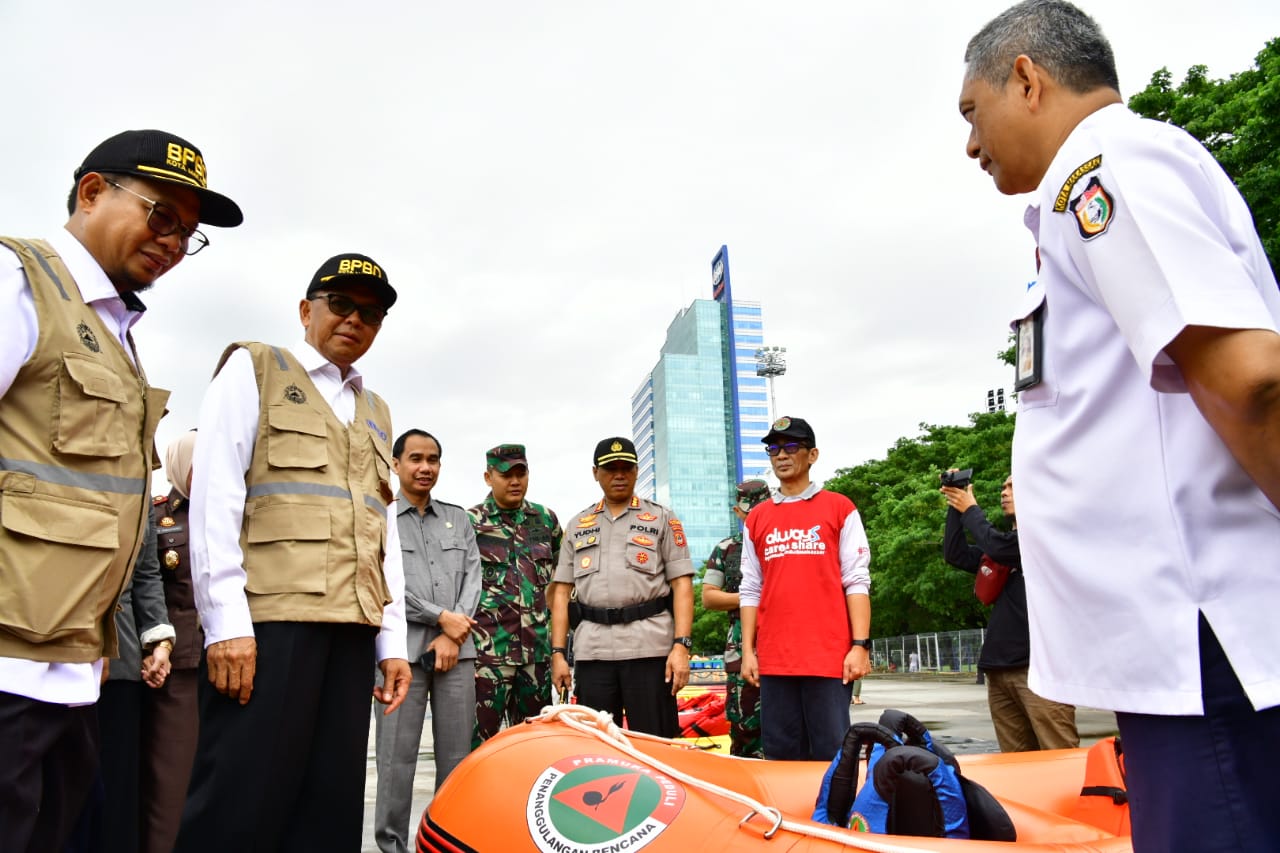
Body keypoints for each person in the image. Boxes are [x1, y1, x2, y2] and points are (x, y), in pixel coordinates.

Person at [960, 3, 1280, 849]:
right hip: (1177, 646)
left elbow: (1250, 381)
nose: (970, 144)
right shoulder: (1087, 187)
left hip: (1202, 634)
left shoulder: (1106, 168)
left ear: (1026, 78)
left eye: (972, 113)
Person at [0, 128, 241, 851]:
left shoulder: (114, 333)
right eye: (161, 215)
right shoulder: (19, 282)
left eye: (188, 234)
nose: (172, 243)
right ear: (91, 192)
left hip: (74, 676)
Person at [177, 253, 411, 852]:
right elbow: (216, 499)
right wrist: (226, 626)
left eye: (370, 313)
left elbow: (381, 534)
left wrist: (391, 642)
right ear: (307, 310)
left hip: (351, 630)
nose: (354, 320)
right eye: (341, 304)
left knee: (328, 812)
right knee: (239, 806)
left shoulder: (377, 412)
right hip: (269, 628)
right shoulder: (255, 369)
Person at [739, 416, 872, 761]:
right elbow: (751, 588)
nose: (781, 455)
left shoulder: (840, 508)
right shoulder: (757, 518)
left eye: (791, 447)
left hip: (827, 658)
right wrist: (748, 651)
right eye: (774, 449)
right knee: (781, 756)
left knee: (831, 755)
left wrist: (859, 645)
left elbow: (857, 580)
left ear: (812, 455)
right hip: (774, 660)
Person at [375, 429, 481, 853]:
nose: (425, 467)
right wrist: (439, 617)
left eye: (432, 459)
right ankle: (391, 846)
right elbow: (382, 583)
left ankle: (443, 843)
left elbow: (473, 579)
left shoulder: (459, 519)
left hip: (458, 653)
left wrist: (454, 631)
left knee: (456, 761)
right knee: (395, 759)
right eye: (415, 458)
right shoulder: (380, 516)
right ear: (396, 464)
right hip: (399, 652)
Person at [548, 437, 694, 737]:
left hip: (649, 649)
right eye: (610, 469)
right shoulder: (577, 525)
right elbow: (561, 593)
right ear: (595, 473)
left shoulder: (662, 518)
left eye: (626, 468)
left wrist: (681, 646)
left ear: (637, 471)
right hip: (593, 651)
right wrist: (558, 653)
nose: (619, 475)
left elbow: (682, 584)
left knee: (657, 742)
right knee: (596, 746)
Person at [941, 472, 1078, 752]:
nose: (1004, 492)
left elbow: (998, 546)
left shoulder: (1044, 539)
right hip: (999, 670)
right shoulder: (1001, 550)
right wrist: (956, 504)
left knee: (1059, 755)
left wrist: (971, 509)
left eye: (1013, 487)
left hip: (1039, 670)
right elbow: (955, 553)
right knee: (1015, 761)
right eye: (1004, 487)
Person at [467, 444, 563, 746]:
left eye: (521, 474)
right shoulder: (470, 522)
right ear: (488, 477)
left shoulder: (545, 520)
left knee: (536, 745)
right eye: (506, 475)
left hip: (536, 657)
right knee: (479, 746)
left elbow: (559, 581)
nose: (514, 481)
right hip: (487, 658)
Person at [140, 430, 202, 852]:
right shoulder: (157, 515)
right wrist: (157, 648)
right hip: (176, 668)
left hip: (236, 667)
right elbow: (147, 588)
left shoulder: (241, 515)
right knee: (170, 783)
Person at [701, 478, 772, 757]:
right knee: (745, 727)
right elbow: (709, 597)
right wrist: (753, 598)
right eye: (750, 512)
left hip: (785, 643)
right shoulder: (727, 549)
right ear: (738, 512)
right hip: (742, 647)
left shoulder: (786, 542)